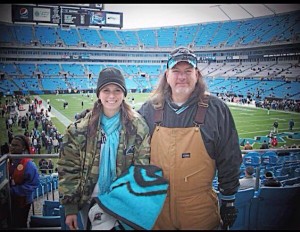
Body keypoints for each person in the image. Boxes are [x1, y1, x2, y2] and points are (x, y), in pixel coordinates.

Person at [138, 47, 242, 230]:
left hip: (199, 208)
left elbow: (229, 156)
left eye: (188, 71)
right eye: (176, 71)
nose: (182, 77)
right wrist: (99, 114)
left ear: (197, 75)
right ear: (167, 75)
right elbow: (125, 131)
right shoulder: (149, 109)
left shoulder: (216, 109)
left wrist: (228, 200)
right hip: (157, 207)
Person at [57, 67, 151, 230]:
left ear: (124, 93)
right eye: (106, 90)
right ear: (99, 93)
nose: (112, 96)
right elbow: (69, 168)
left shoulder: (138, 127)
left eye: (117, 90)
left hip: (123, 202)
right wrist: (70, 207)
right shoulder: (79, 129)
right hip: (89, 200)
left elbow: (141, 167)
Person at [8, 134, 40, 228]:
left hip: (22, 202)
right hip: (8, 200)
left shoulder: (29, 165)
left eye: (16, 145)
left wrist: (13, 191)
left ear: (23, 148)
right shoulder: (7, 160)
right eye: (12, 145)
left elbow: (34, 184)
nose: (12, 148)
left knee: (19, 224)